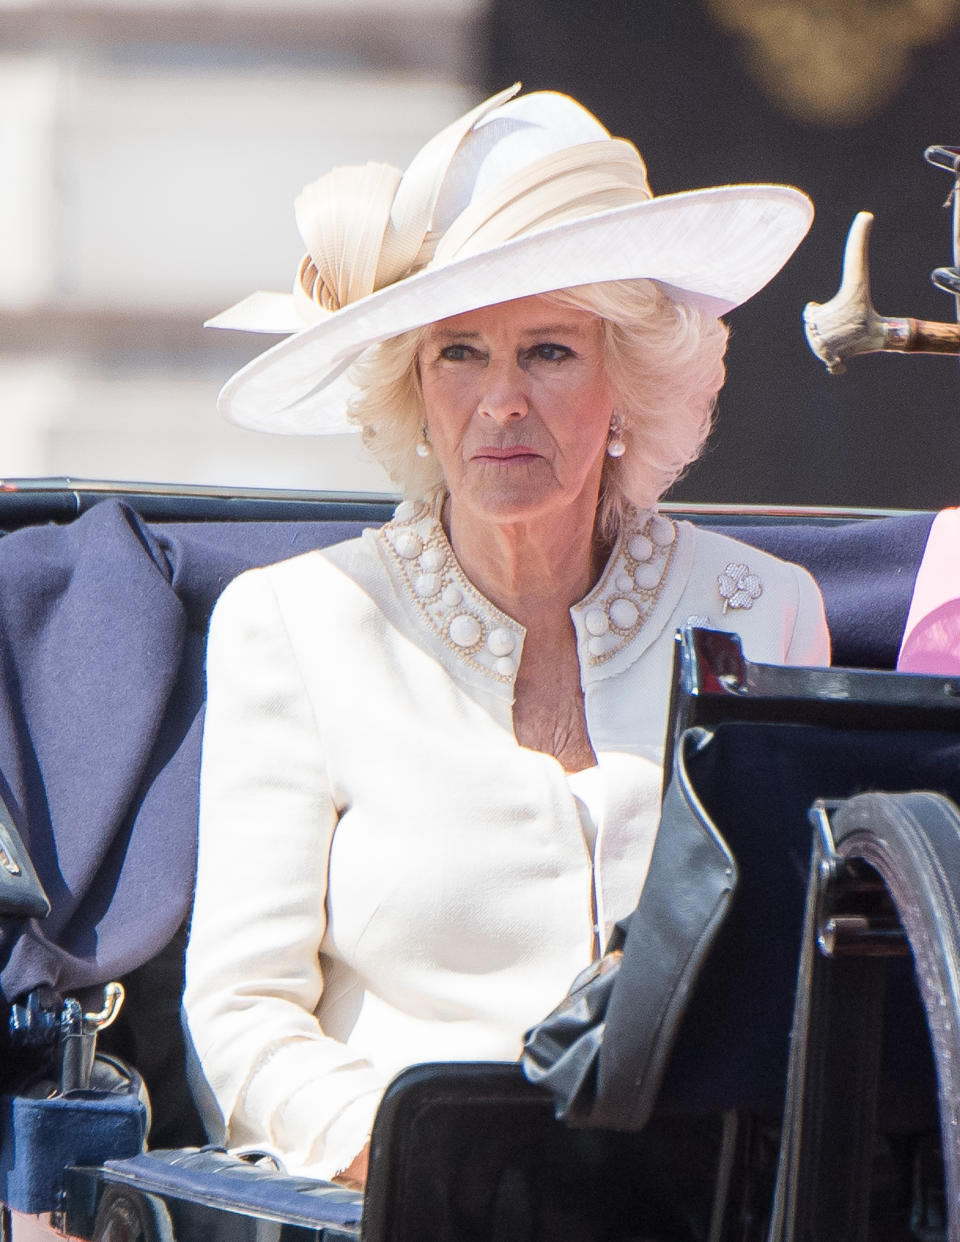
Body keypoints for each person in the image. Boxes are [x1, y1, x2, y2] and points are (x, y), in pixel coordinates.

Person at [182, 85, 831, 1188]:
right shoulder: (295, 623)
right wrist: (400, 1154)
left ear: (626, 378)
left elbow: (805, 980)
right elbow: (241, 1012)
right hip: (396, 1197)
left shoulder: (764, 609)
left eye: (548, 352)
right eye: (460, 354)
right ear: (413, 389)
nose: (501, 404)